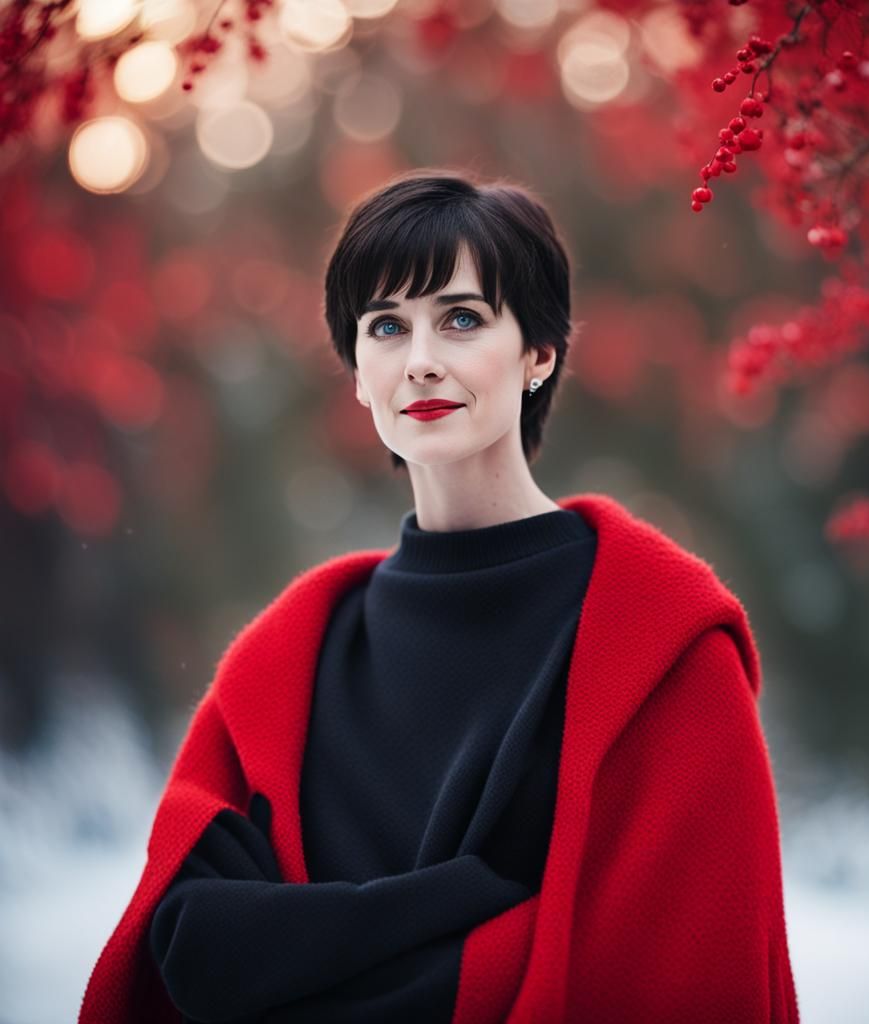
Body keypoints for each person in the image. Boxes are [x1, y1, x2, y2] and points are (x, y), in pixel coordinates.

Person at [79, 169, 800, 1023]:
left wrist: (315, 950)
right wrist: (476, 904)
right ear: (357, 373)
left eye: (461, 318)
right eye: (386, 327)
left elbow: (680, 985)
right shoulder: (286, 663)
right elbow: (194, 947)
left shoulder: (667, 655)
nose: (420, 361)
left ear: (540, 353)